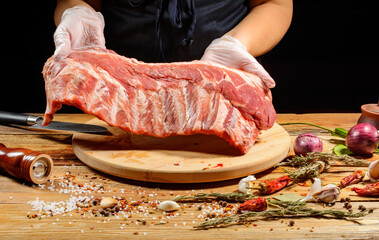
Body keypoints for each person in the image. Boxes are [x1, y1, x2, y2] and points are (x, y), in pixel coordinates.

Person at [53, 0, 292, 88]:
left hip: (220, 89)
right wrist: (78, 13)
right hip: (115, 91)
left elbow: (274, 3)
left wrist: (238, 43)